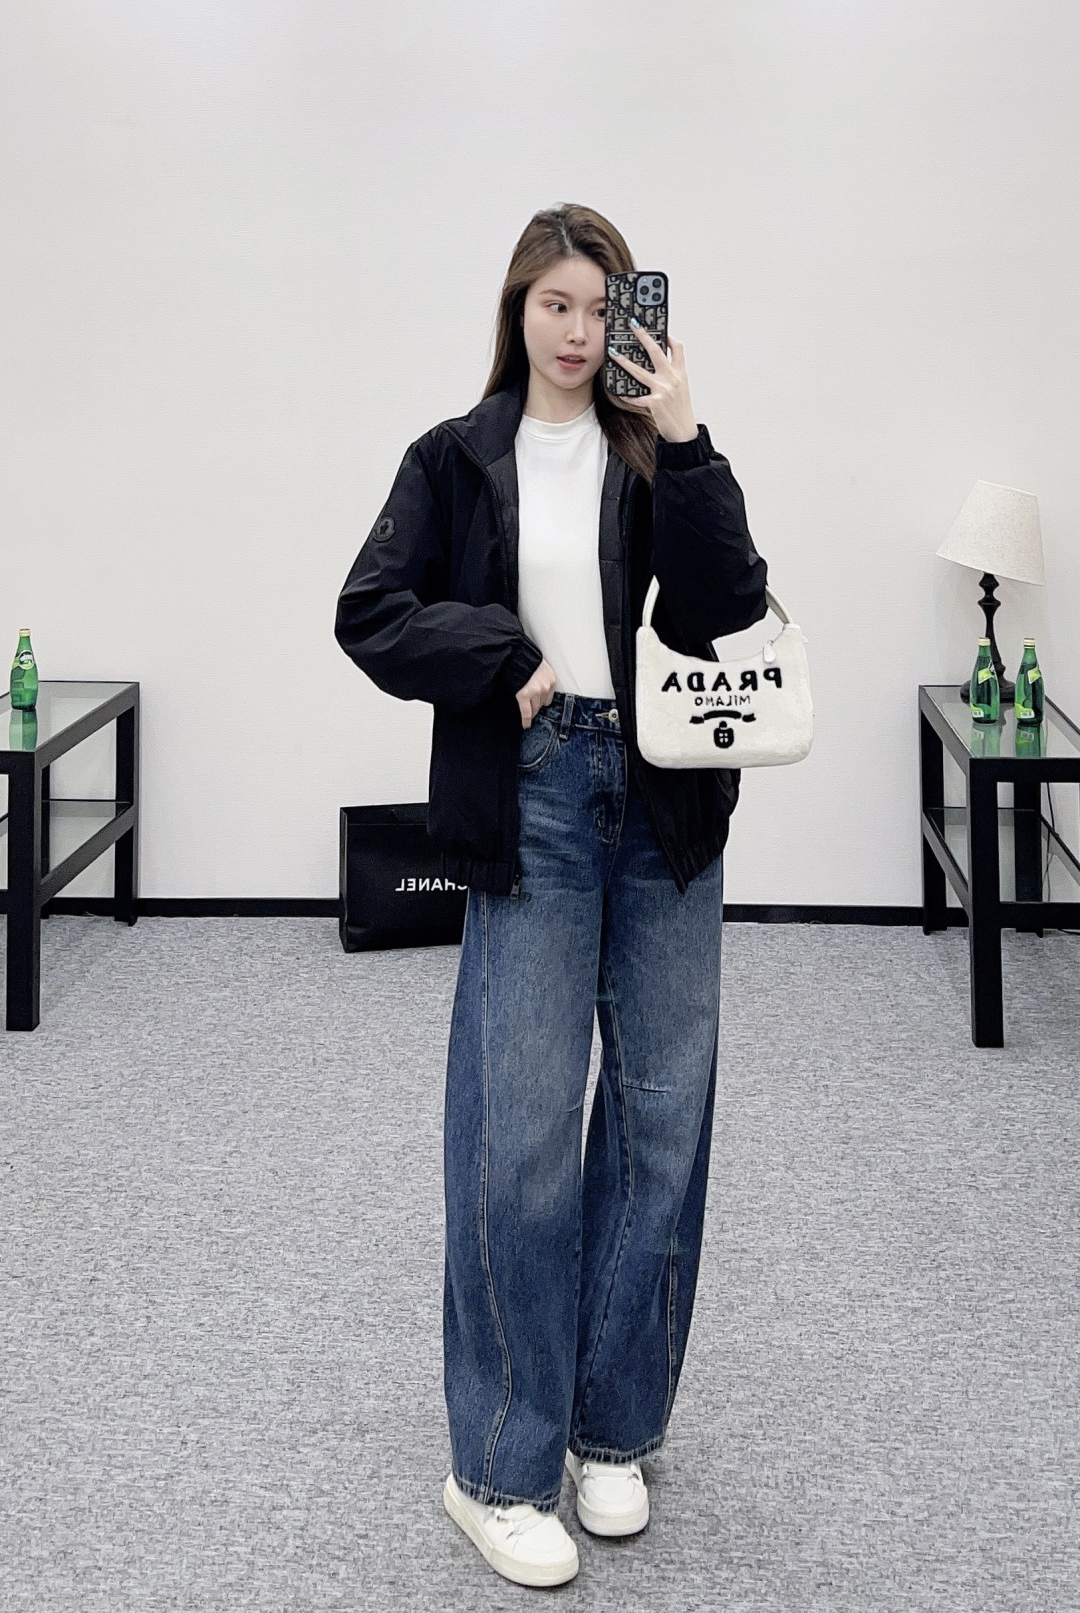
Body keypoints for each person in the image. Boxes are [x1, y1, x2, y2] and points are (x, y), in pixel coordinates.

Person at [335, 204, 768, 1589]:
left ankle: (612, 1428)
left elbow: (729, 602)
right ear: (517, 311)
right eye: (556, 305)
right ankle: (498, 1468)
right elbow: (370, 608)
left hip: (665, 799)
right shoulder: (456, 456)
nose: (579, 333)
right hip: (535, 794)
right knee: (519, 1133)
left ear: (631, 317)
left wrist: (686, 433)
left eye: (601, 307)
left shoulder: (657, 456)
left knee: (660, 1115)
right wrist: (502, 656)